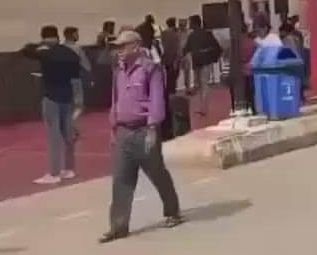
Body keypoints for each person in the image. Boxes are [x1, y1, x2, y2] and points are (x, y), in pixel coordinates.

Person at [99, 30, 183, 243]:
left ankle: (172, 211)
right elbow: (115, 100)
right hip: (123, 131)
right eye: (117, 47)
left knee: (157, 174)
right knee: (121, 180)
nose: (119, 50)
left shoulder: (150, 69)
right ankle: (118, 226)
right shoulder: (118, 70)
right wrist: (112, 128)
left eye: (122, 46)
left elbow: (156, 101)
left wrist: (153, 130)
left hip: (145, 130)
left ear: (136, 46)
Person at [20, 25, 82, 185]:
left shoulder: (45, 52)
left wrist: (42, 45)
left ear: (44, 37)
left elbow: (25, 50)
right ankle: (69, 169)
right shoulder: (69, 52)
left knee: (54, 135)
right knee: (67, 134)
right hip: (67, 96)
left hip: (51, 96)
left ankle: (54, 173)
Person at [182, 15, 221, 116]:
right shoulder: (207, 34)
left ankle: (203, 107)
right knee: (203, 85)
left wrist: (180, 57)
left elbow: (186, 49)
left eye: (190, 23)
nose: (189, 25)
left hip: (197, 62)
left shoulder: (192, 36)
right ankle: (203, 107)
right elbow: (217, 47)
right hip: (206, 61)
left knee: (201, 85)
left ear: (194, 23)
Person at [64, 26, 92, 138]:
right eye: (76, 33)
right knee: (79, 105)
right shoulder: (77, 49)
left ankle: (71, 128)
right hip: (75, 79)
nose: (78, 36)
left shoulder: (60, 48)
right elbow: (86, 65)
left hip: (62, 80)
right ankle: (70, 125)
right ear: (72, 35)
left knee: (67, 105)